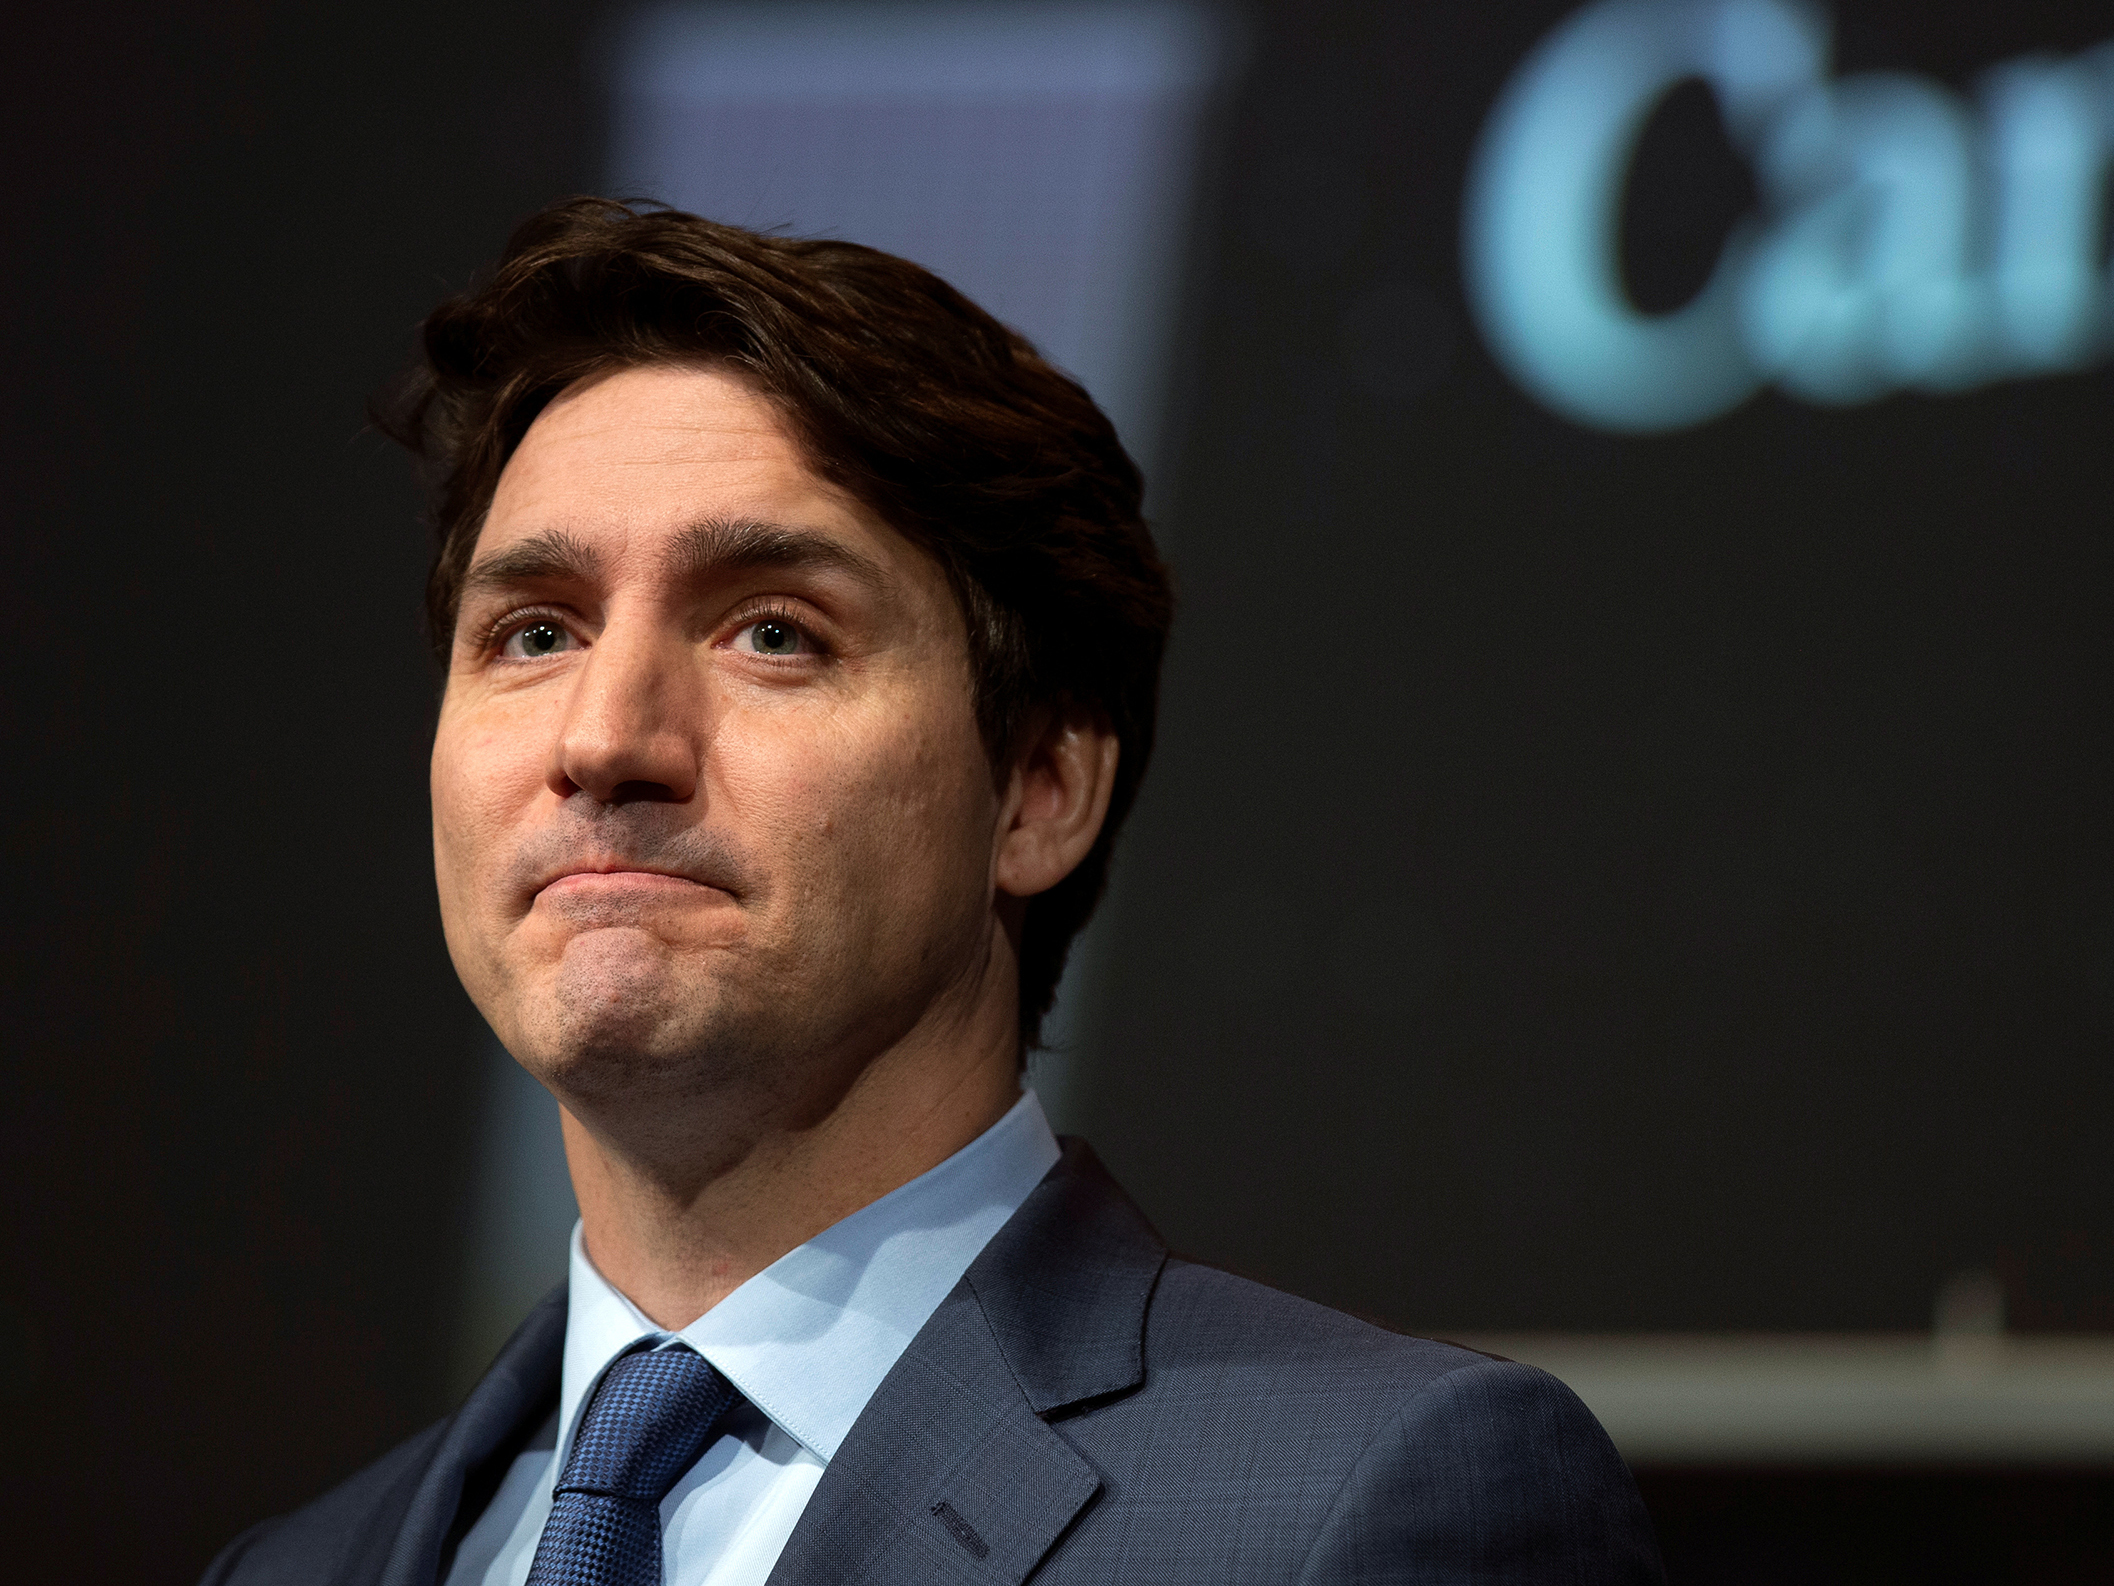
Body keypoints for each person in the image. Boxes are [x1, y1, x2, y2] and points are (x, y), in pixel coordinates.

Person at [200, 197, 1663, 1586]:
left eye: (772, 630)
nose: (604, 739)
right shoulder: (300, 1567)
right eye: (532, 633)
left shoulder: (1365, 1507)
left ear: (1036, 785)